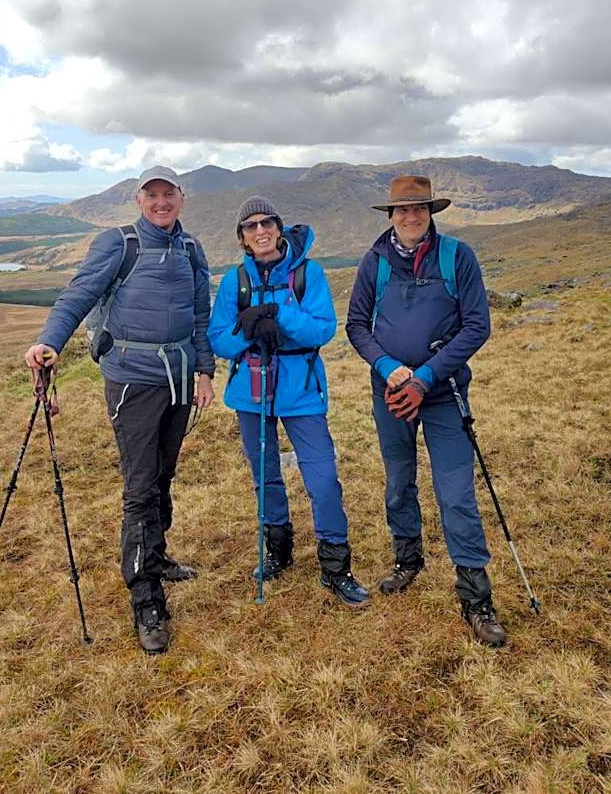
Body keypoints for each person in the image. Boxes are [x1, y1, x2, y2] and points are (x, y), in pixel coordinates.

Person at [24, 165, 215, 654]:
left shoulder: (191, 249)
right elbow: (80, 293)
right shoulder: (119, 243)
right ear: (139, 200)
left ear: (181, 197)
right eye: (152, 195)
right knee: (139, 486)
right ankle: (145, 597)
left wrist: (205, 371)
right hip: (132, 381)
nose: (160, 202)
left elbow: (200, 315)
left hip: (178, 377)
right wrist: (50, 341)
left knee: (163, 475)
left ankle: (156, 555)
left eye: (168, 194)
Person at [346, 175, 506, 647]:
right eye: (403, 210)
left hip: (443, 392)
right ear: (391, 215)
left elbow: (477, 325)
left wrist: (427, 377)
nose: (411, 217)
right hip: (390, 392)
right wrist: (389, 367)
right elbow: (356, 324)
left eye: (420, 208)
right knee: (399, 480)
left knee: (455, 491)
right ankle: (407, 559)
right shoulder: (374, 261)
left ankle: (476, 599)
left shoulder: (458, 256)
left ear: (431, 211)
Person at [207, 197, 369, 607]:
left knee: (323, 479)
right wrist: (249, 330)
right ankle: (278, 550)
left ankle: (336, 567)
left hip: (301, 392)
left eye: (266, 223)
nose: (260, 231)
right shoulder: (234, 282)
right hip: (252, 391)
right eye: (250, 226)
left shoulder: (307, 274)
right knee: (266, 475)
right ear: (242, 237)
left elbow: (322, 330)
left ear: (279, 228)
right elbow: (219, 339)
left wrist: (277, 314)